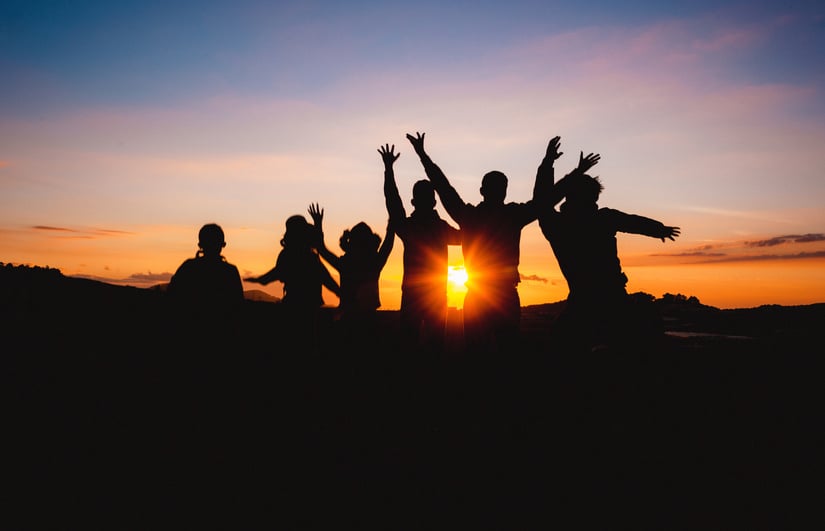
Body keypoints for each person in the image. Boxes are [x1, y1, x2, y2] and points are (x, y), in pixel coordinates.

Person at [405, 131, 594, 357]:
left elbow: (444, 188)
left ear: (483, 191)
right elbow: (546, 200)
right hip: (502, 296)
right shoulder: (511, 215)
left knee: (480, 355)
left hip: (481, 297)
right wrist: (565, 170)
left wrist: (422, 155)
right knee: (507, 354)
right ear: (503, 191)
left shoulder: (470, 216)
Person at [537, 156, 680, 352]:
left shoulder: (558, 225)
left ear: (568, 196)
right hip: (612, 299)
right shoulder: (602, 218)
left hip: (584, 300)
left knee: (565, 352)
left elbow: (542, 203)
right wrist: (659, 229)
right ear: (594, 197)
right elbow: (632, 222)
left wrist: (552, 166)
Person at [380, 143, 462, 358]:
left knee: (409, 347)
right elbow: (468, 236)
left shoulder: (411, 227)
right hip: (432, 295)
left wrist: (389, 170)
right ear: (435, 202)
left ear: (414, 201)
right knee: (434, 348)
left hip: (415, 295)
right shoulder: (440, 229)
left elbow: (393, 202)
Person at [245, 214, 341, 349]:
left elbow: (275, 275)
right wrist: (339, 292)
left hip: (293, 302)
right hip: (310, 304)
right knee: (309, 341)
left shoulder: (287, 255)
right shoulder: (311, 256)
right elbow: (325, 278)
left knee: (292, 341)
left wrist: (260, 279)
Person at [308, 203, 394, 350]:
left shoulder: (346, 264)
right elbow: (388, 243)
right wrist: (391, 223)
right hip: (367, 320)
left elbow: (321, 249)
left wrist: (318, 226)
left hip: (349, 319)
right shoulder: (374, 263)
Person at [167, 222, 245, 309]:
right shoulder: (230, 271)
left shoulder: (188, 267)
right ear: (223, 245)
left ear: (200, 245)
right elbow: (238, 304)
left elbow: (172, 296)